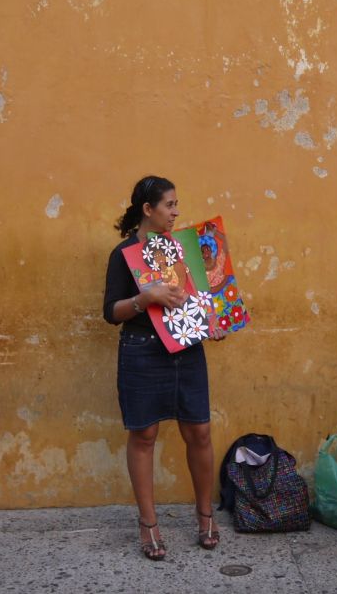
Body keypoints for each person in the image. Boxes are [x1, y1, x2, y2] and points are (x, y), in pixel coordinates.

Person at [102, 175, 227, 561]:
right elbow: (111, 313)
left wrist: (213, 319)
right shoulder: (124, 254)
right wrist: (145, 297)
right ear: (147, 210)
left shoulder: (185, 247)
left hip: (187, 349)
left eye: (176, 205)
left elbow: (201, 294)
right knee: (144, 435)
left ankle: (205, 515)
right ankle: (149, 524)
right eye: (169, 205)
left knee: (200, 432)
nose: (176, 212)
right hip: (142, 351)